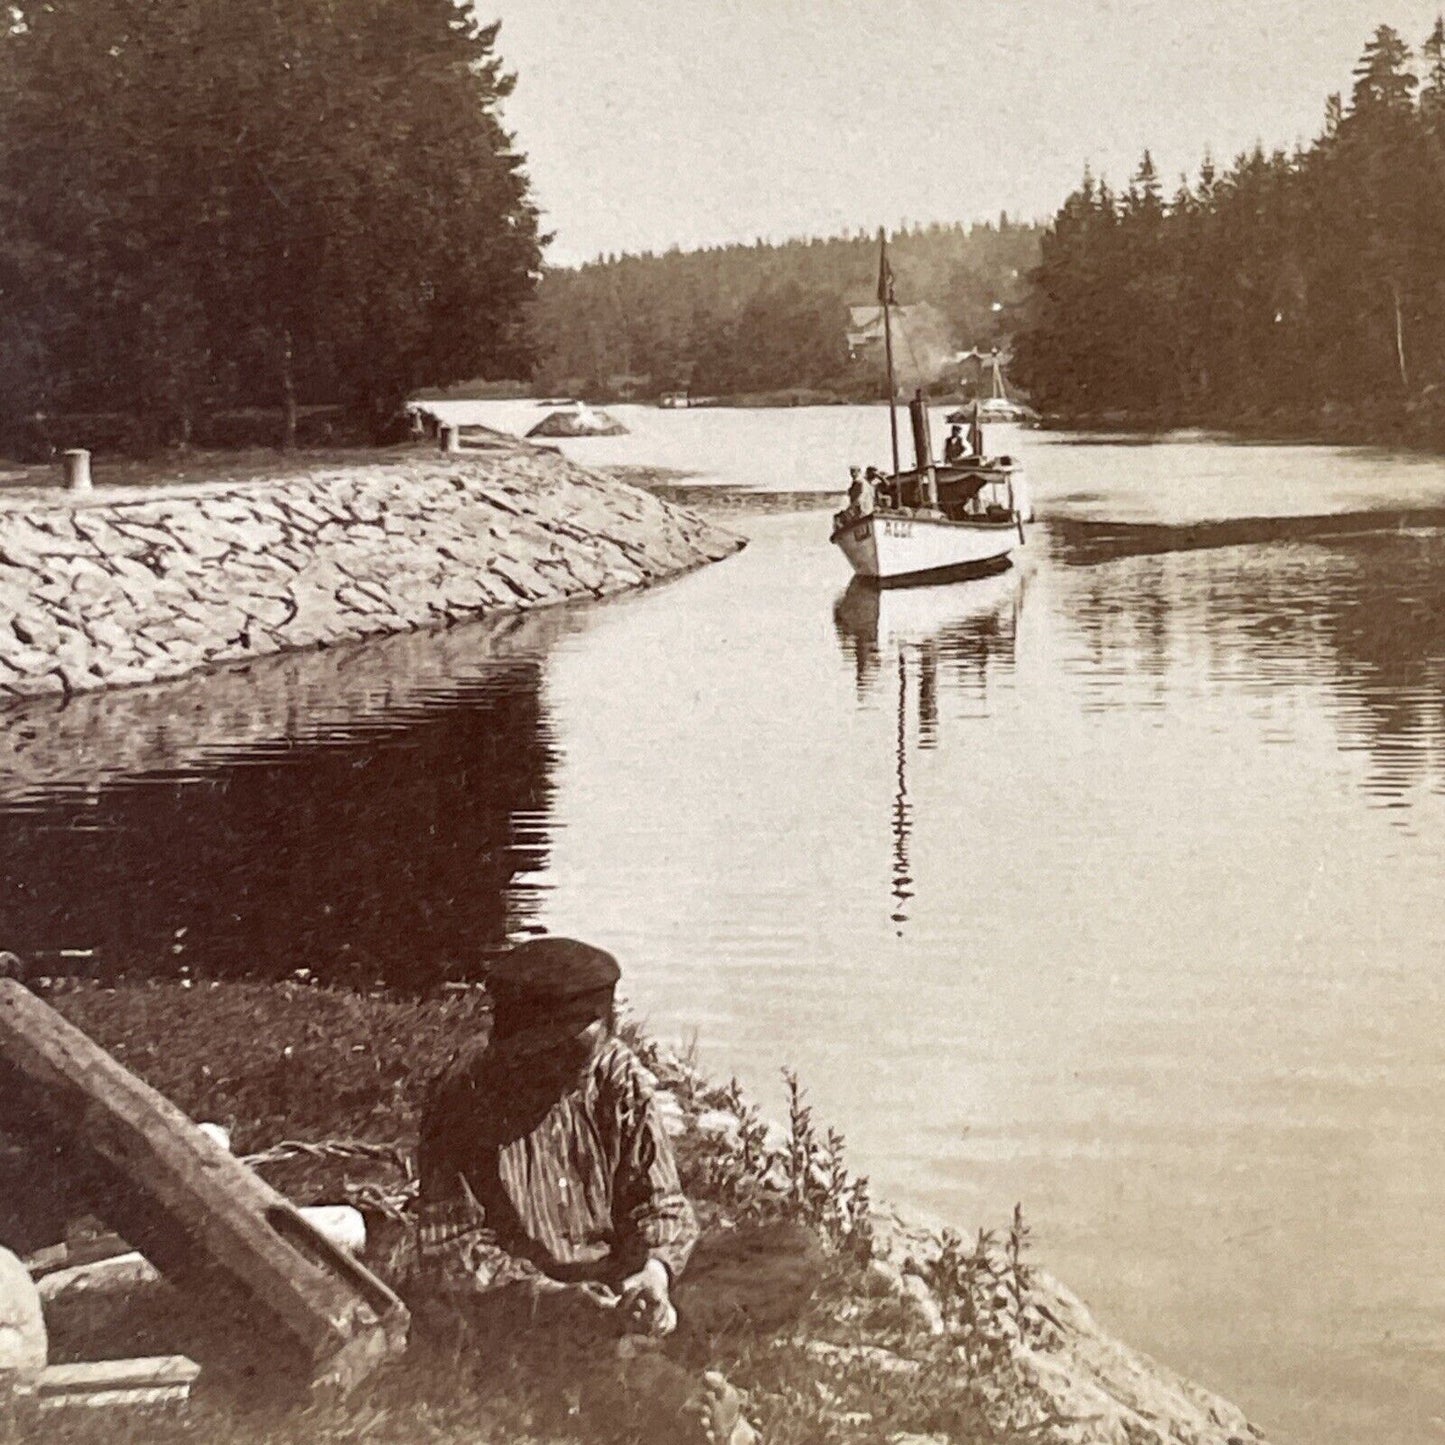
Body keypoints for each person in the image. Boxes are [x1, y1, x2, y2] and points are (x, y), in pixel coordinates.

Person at [414, 937, 775, 1444]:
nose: (572, 1068)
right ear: (519, 1039)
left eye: (586, 1042)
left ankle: (655, 1336)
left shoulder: (613, 1072)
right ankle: (690, 1408)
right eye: (553, 1051)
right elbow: (454, 1255)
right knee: (577, 1358)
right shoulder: (463, 1099)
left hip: (622, 1280)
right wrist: (568, 1302)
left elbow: (661, 1201)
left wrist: (655, 1276)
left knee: (789, 1249)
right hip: (537, 1303)